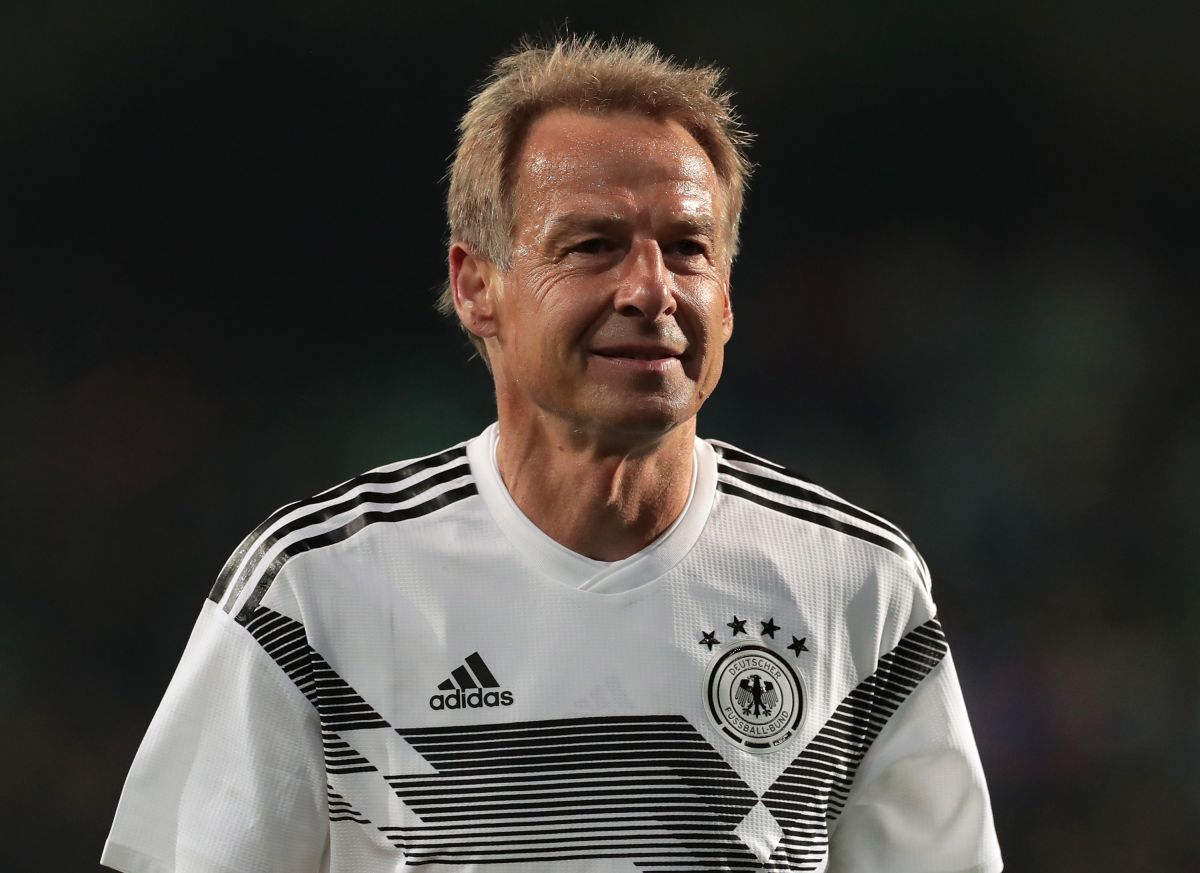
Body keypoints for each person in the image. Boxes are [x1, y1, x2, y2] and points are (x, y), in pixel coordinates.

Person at [102, 35, 1003, 873]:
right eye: (594, 246)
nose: (651, 289)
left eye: (687, 249)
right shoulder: (313, 588)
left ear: (726, 299)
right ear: (476, 287)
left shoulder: (856, 584)